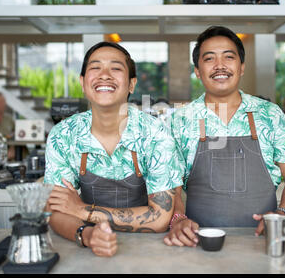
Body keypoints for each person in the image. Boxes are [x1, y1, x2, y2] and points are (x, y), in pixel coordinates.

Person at [164, 26, 285, 247]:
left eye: (228, 57)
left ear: (241, 67)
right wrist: (178, 219)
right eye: (209, 58)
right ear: (197, 71)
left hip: (265, 242)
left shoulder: (269, 114)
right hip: (197, 242)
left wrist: (283, 215)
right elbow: (169, 183)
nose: (219, 65)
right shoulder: (180, 120)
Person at [44, 42, 184, 257]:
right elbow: (56, 210)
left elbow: (160, 219)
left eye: (116, 68)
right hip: (87, 248)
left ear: (131, 84)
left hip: (151, 252)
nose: (105, 75)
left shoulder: (156, 134)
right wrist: (88, 235)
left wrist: (81, 210)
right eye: (95, 67)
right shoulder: (63, 135)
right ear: (83, 82)